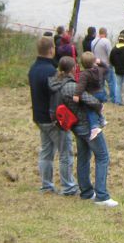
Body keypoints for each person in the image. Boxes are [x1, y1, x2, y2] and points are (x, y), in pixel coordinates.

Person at [49, 56, 118, 207]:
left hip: (75, 126)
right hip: (86, 124)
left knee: (83, 157)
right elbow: (91, 101)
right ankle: (102, 195)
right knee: (102, 157)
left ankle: (86, 192)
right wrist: (99, 106)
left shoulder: (57, 84)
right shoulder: (72, 87)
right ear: (73, 68)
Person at [28, 36, 77, 195]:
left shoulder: (33, 69)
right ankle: (68, 186)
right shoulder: (51, 72)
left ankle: (46, 185)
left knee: (46, 152)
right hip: (54, 119)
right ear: (51, 50)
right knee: (65, 152)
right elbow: (57, 94)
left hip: (39, 116)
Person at [75, 51, 107, 139]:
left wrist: (77, 95)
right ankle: (102, 119)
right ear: (94, 61)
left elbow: (81, 85)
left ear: (82, 63)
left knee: (90, 110)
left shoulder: (84, 74)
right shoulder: (99, 70)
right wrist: (101, 62)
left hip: (92, 94)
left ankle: (94, 127)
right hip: (101, 93)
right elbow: (106, 67)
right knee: (97, 107)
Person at [91, 27, 117, 103]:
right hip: (106, 65)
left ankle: (103, 98)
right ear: (105, 33)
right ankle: (113, 99)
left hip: (96, 65)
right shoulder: (106, 41)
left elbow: (92, 54)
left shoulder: (93, 42)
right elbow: (110, 54)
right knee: (111, 82)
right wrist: (112, 63)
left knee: (101, 83)